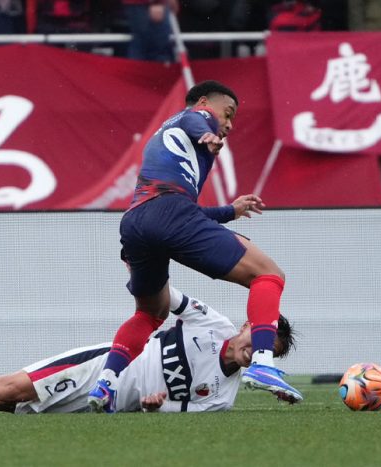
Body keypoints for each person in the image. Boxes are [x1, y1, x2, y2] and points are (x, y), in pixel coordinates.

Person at [87, 80, 303, 413]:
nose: (228, 124)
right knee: (268, 274)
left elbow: (183, 212)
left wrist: (230, 211)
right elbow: (194, 118)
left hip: (135, 222)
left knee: (150, 313)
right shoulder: (195, 120)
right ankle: (263, 361)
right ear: (204, 102)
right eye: (227, 114)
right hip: (169, 213)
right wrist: (207, 132)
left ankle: (106, 384)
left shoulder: (169, 139)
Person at [0, 286, 296, 417]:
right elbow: (168, 297)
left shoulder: (222, 397)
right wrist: (148, 268)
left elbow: (172, 411)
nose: (254, 350)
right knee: (9, 388)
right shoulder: (212, 323)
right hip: (100, 367)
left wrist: (152, 406)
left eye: (266, 351)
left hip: (107, 407)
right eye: (259, 339)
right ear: (248, 326)